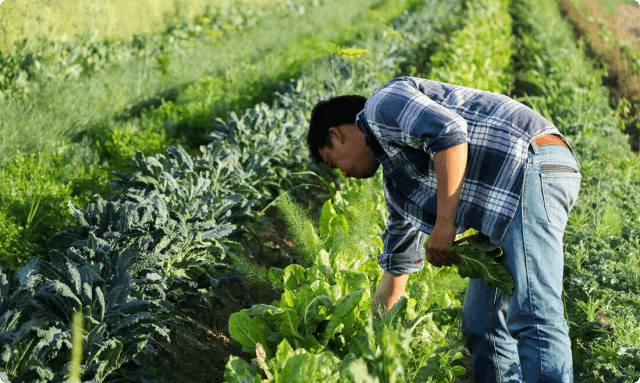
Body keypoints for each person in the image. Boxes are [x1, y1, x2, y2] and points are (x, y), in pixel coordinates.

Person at [306, 76, 581, 383]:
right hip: (505, 197)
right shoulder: (399, 185)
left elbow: (450, 134)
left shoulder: (381, 105)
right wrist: (369, 348)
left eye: (333, 162)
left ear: (336, 134)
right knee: (482, 325)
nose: (343, 174)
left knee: (533, 312)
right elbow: (397, 269)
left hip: (531, 164)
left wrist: (444, 223)